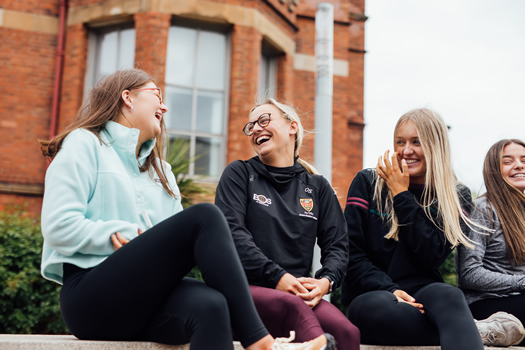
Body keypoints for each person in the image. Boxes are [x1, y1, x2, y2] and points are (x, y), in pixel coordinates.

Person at [39, 69, 331, 350]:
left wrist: (148, 247)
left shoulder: (161, 171)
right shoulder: (84, 143)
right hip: (91, 296)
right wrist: (124, 234)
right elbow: (58, 225)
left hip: (147, 298)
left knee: (213, 305)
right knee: (204, 216)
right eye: (157, 95)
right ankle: (261, 342)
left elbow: (175, 249)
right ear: (127, 98)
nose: (164, 107)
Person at [215, 98, 359, 350]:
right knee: (292, 307)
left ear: (292, 127)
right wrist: (278, 277)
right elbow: (233, 236)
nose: (256, 129)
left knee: (346, 331)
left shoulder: (317, 187)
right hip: (246, 291)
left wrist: (325, 281)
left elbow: (338, 246)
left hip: (298, 294)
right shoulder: (239, 174)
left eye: (264, 120)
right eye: (251, 126)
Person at [341, 108, 485, 350]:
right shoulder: (367, 183)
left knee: (450, 296)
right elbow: (350, 253)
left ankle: (457, 326)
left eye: (416, 142)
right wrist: (390, 289)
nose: (407, 151)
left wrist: (401, 194)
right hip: (372, 294)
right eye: (400, 142)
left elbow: (431, 256)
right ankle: (467, 329)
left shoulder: (455, 195)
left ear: (435, 145)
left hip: (424, 292)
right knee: (382, 308)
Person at [456, 139, 525, 347]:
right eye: (508, 161)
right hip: (486, 303)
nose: (519, 165)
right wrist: (521, 282)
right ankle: (484, 329)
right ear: (494, 170)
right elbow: (469, 273)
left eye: (523, 160)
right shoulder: (481, 209)